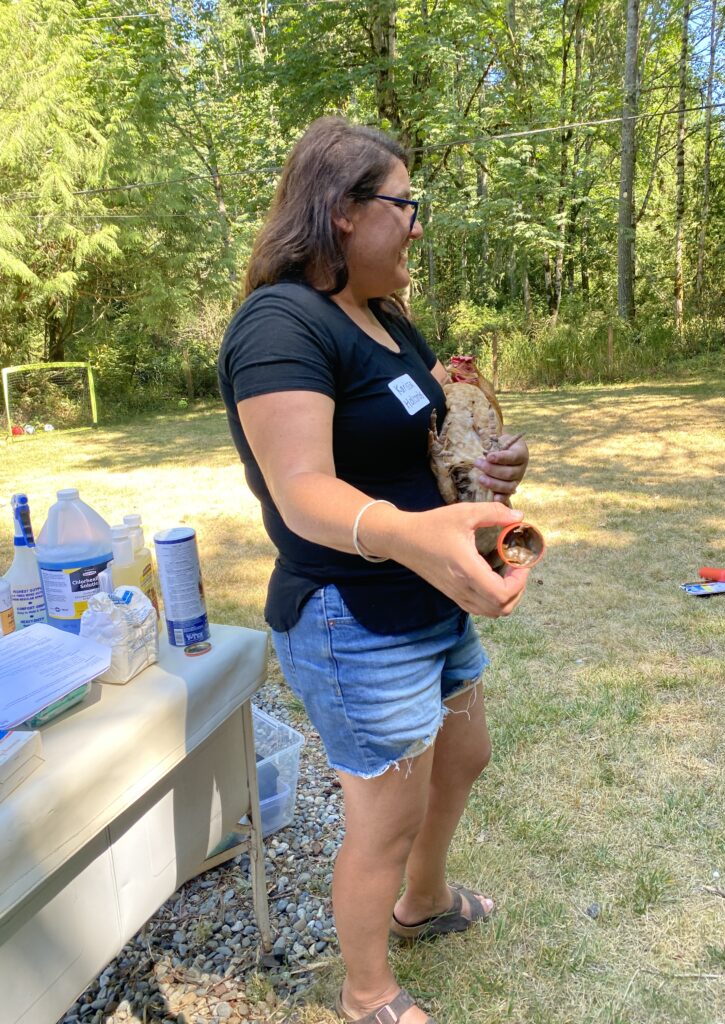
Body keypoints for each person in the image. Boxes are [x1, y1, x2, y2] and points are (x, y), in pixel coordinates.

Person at [218, 117, 530, 1024]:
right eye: (406, 204)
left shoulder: (386, 316)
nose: (418, 226)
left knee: (463, 753)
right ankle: (366, 995)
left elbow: (421, 442)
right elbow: (303, 489)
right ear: (343, 211)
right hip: (349, 608)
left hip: (427, 585)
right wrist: (418, 533)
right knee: (384, 814)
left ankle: (422, 904)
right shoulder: (280, 322)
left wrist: (479, 474)